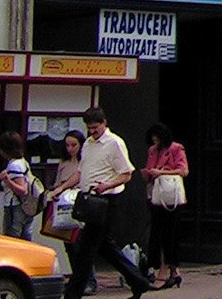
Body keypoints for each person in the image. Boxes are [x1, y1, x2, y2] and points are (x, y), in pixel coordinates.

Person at [65, 107, 150, 299]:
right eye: (89, 128)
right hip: (90, 200)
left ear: (104, 123)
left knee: (86, 249)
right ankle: (138, 281)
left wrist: (107, 185)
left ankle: (73, 293)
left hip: (107, 201)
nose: (92, 131)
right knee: (105, 247)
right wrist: (60, 189)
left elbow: (127, 174)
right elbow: (80, 172)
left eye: (95, 127)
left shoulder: (114, 143)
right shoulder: (87, 144)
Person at [48, 130, 96, 295]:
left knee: (82, 246)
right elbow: (57, 182)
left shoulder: (85, 163)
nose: (70, 148)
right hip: (65, 207)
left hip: (81, 207)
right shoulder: (64, 162)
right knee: (69, 245)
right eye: (67, 145)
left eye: (74, 145)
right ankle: (77, 279)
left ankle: (89, 280)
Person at [142, 123, 188, 290]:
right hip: (156, 195)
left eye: (157, 137)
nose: (155, 141)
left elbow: (183, 171)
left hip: (171, 197)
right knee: (158, 233)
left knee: (169, 234)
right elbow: (150, 169)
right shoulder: (153, 150)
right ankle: (174, 272)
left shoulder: (176, 149)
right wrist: (149, 173)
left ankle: (164, 271)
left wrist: (162, 172)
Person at [0, 131, 35, 240]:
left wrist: (7, 181)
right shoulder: (23, 162)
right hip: (26, 206)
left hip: (15, 206)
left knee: (12, 239)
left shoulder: (14, 166)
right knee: (25, 238)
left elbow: (23, 190)